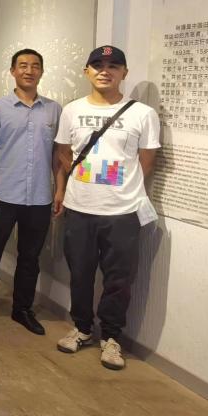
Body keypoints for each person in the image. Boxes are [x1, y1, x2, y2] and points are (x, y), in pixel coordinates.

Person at [53, 46, 160, 370]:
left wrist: (121, 187)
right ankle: (82, 328)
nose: (105, 70)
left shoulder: (143, 114)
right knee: (80, 273)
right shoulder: (72, 110)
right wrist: (76, 183)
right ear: (86, 71)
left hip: (122, 212)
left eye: (114, 65)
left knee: (119, 279)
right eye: (98, 64)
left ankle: (112, 337)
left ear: (124, 73)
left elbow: (146, 161)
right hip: (80, 208)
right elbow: (63, 153)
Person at [0, 49, 61, 335]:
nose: (29, 70)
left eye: (35, 66)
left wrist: (60, 190)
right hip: (2, 194)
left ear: (41, 71)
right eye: (23, 65)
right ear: (12, 71)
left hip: (39, 196)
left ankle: (22, 309)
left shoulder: (54, 109)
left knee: (30, 257)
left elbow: (58, 154)